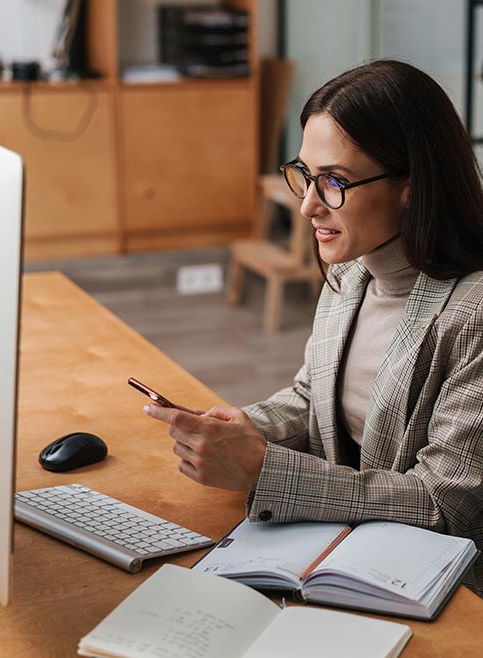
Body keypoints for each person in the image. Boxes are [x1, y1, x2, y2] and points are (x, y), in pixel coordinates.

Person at [143, 59, 483, 598]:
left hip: (444, 593)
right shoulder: (351, 273)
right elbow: (312, 396)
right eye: (304, 173)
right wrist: (240, 429)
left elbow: (444, 505)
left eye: (334, 182)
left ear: (411, 187)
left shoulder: (473, 315)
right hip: (348, 556)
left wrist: (264, 470)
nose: (307, 205)